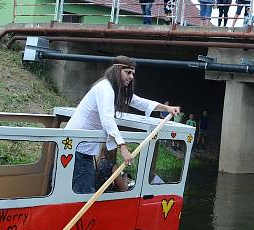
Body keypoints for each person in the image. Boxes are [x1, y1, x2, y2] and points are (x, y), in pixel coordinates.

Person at [66, 56, 180, 194]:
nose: (131, 76)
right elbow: (107, 119)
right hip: (78, 149)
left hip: (84, 149)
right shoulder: (105, 88)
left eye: (132, 73)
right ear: (117, 70)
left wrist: (167, 109)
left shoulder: (115, 90)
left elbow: (139, 102)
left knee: (83, 188)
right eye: (127, 72)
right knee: (82, 192)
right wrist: (123, 147)